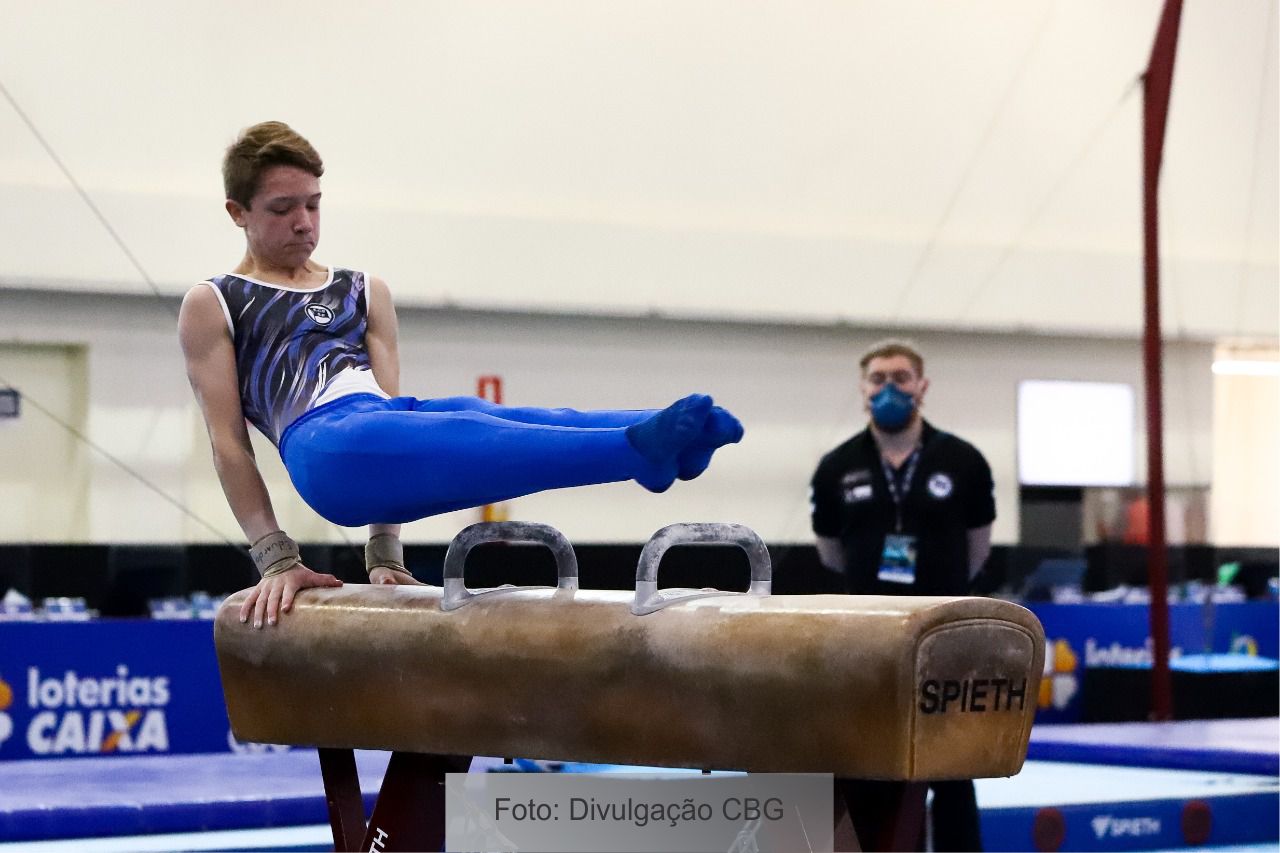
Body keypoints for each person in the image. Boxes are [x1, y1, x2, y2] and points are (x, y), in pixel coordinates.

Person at [179, 121, 742, 632]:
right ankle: (637, 451)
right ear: (237, 212)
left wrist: (384, 554)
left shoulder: (362, 289)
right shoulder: (218, 302)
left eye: (314, 205)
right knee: (479, 437)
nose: (304, 224)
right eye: (282, 209)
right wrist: (276, 558)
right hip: (323, 447)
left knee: (487, 418)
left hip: (383, 421)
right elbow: (228, 442)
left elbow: (398, 427)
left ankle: (660, 435)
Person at [808, 338, 994, 851]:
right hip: (871, 636)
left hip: (946, 631)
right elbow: (831, 554)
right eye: (878, 379)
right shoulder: (835, 467)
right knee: (880, 761)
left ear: (922, 387)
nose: (890, 388)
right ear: (864, 390)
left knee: (955, 763)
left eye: (901, 378)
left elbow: (978, 549)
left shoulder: (963, 461)